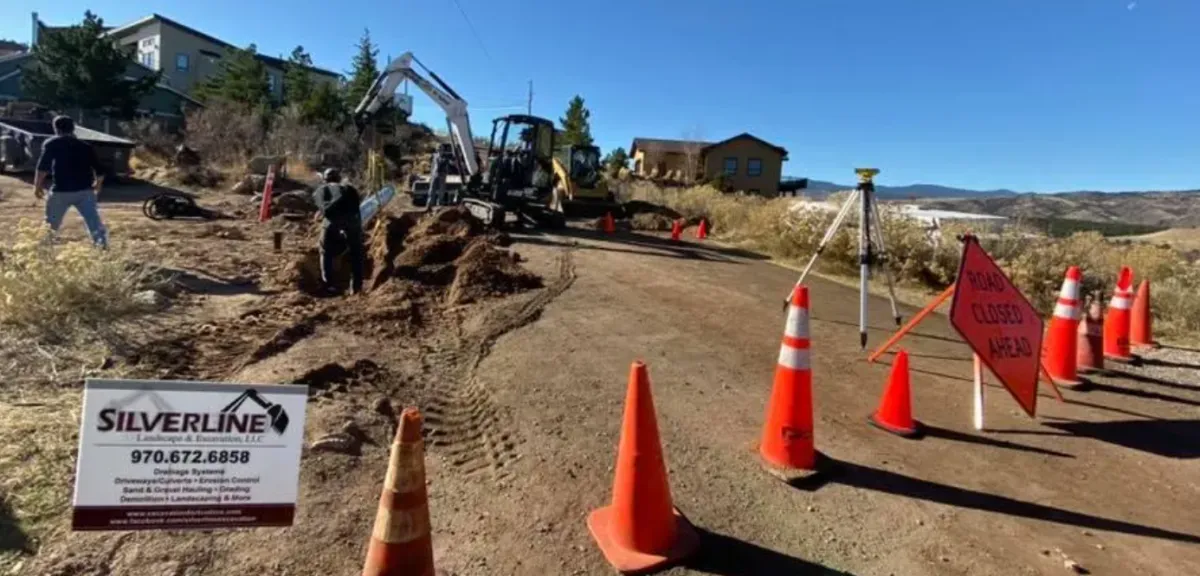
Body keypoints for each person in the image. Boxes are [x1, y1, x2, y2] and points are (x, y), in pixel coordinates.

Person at [33, 115, 109, 248]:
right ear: (73, 128)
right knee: (93, 222)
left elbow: (42, 167)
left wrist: (37, 186)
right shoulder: (86, 146)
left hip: (61, 191)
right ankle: (102, 247)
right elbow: (100, 169)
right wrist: (98, 184)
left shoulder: (51, 144)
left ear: (56, 129)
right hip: (85, 191)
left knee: (51, 224)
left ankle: (43, 252)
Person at [311, 168, 365, 295]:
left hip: (332, 223)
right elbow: (357, 208)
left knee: (325, 251)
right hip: (353, 222)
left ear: (324, 180)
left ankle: (329, 285)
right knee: (356, 253)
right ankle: (356, 287)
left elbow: (325, 210)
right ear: (339, 178)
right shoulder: (349, 188)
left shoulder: (320, 190)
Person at [426, 144, 449, 211]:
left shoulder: (446, 157)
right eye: (439, 149)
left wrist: (446, 173)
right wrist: (431, 175)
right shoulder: (434, 156)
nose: (440, 150)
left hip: (442, 175)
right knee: (432, 189)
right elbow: (432, 165)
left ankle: (439, 203)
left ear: (443, 150)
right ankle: (430, 203)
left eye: (441, 149)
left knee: (441, 190)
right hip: (434, 174)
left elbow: (447, 166)